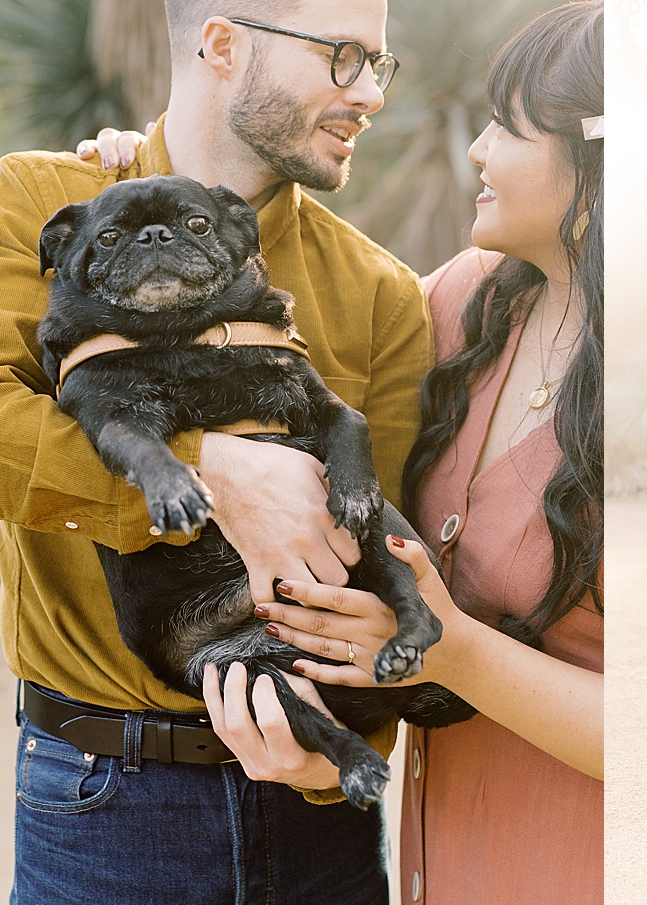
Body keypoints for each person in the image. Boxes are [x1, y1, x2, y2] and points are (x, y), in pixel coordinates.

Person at [88, 4, 605, 903]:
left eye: (506, 127)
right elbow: (234, 332)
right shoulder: (462, 305)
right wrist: (154, 185)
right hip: (431, 850)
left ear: (599, 165)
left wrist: (447, 652)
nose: (477, 150)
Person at [0, 1, 433, 901]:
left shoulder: (383, 292)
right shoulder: (31, 202)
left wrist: (348, 752)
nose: (370, 94)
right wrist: (214, 470)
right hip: (105, 800)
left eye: (380, 68)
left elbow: (383, 553)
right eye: (344, 57)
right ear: (224, 44)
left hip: (323, 811)